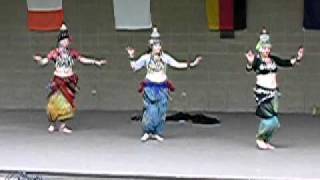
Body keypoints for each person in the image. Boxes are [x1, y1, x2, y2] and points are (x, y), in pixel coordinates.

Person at [33, 23, 107, 134]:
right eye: (65, 40)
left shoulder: (72, 53)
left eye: (68, 40)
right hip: (58, 80)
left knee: (67, 103)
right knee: (53, 102)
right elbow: (45, 61)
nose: (67, 42)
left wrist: (96, 62)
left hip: (68, 80)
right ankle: (52, 124)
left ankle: (63, 125)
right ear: (60, 41)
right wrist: (39, 60)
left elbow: (82, 59)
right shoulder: (55, 53)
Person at [126, 38, 202, 142]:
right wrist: (131, 56)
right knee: (150, 110)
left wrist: (192, 64)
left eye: (159, 45)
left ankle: (157, 132)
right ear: (151, 47)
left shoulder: (165, 57)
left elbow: (177, 64)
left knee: (161, 111)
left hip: (163, 88)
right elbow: (134, 67)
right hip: (150, 88)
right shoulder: (146, 58)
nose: (158, 47)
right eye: (156, 45)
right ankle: (147, 132)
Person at [245, 42, 304, 150]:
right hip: (263, 93)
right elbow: (249, 68)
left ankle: (265, 140)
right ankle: (260, 138)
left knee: (275, 122)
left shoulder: (273, 59)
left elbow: (286, 63)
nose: (267, 50)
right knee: (269, 119)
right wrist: (250, 62)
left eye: (268, 48)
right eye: (264, 48)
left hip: (274, 92)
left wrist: (298, 58)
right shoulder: (257, 60)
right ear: (260, 49)